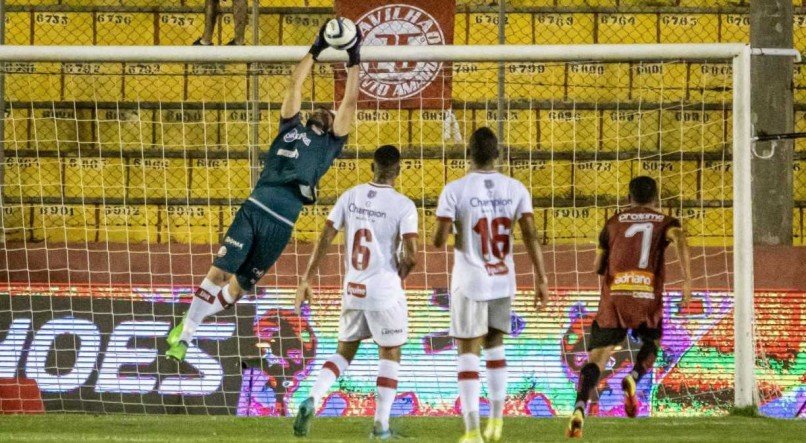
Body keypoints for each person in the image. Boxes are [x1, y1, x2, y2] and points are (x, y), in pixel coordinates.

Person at [165, 25, 363, 361]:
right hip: (256, 208)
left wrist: (354, 56)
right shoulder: (290, 126)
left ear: (333, 124)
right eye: (320, 109)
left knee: (239, 288)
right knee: (220, 272)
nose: (323, 111)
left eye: (328, 113)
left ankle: (190, 320)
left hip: (282, 225)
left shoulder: (330, 145)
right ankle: (185, 338)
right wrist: (315, 49)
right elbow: (294, 84)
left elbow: (350, 100)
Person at [292, 145, 419, 440]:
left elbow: (325, 236)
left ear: (371, 167)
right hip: (384, 292)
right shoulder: (403, 205)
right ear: (398, 171)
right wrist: (399, 273)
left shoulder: (350, 196)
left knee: (343, 353)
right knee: (390, 351)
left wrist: (306, 279)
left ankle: (313, 397)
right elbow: (411, 255)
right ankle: (380, 425)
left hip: (353, 289)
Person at [432, 127, 550, 443]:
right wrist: (541, 278)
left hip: (470, 281)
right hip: (503, 280)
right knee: (495, 347)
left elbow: (438, 241)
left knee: (467, 351)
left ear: (468, 154)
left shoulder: (454, 190)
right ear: (498, 154)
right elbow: (529, 235)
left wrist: (456, 224)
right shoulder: (516, 189)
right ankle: (497, 421)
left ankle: (472, 430)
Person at [566, 176, 693, 438]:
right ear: (656, 199)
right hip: (645, 294)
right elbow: (679, 237)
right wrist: (688, 280)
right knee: (653, 342)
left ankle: (580, 407)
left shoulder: (612, 222)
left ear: (628, 198)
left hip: (615, 298)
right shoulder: (664, 221)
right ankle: (633, 377)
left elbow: (597, 268)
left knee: (597, 359)